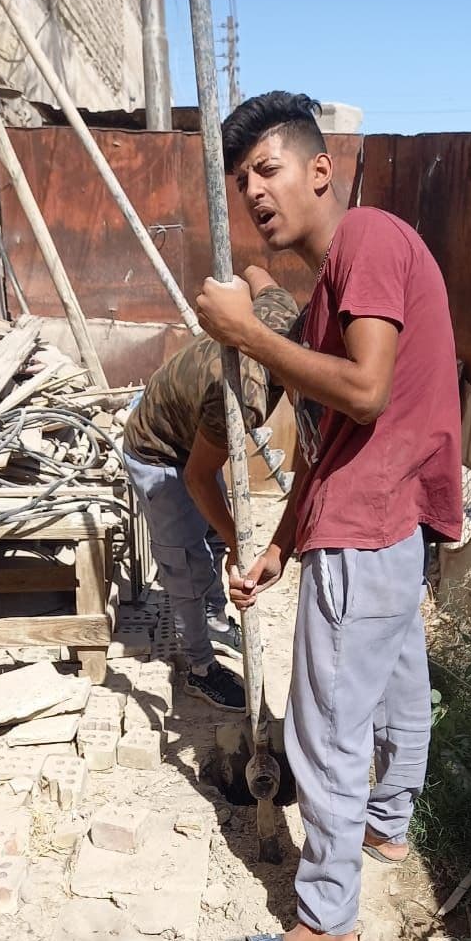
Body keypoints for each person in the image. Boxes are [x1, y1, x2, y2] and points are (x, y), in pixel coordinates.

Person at [195, 92, 462, 941]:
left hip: (369, 523)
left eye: (266, 169)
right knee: (395, 687)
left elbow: (366, 392)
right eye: (241, 180)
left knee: (324, 731)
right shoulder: (325, 304)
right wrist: (280, 544)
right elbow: (326, 444)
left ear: (320, 169)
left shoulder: (368, 240)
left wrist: (244, 332)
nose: (252, 193)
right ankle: (388, 828)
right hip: (382, 518)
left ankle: (324, 928)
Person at [123, 266, 298, 711]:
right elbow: (196, 478)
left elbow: (258, 272)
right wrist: (240, 541)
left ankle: (215, 620)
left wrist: (236, 292)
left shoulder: (281, 313)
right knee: (187, 564)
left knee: (212, 540)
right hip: (158, 451)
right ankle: (200, 669)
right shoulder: (241, 398)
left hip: (190, 436)